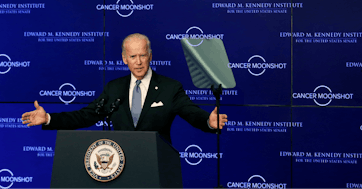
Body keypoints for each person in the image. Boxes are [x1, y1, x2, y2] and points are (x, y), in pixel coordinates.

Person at [21, 33, 228, 143]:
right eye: (132, 56)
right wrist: (49, 119)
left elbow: (190, 113)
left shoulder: (170, 87)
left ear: (150, 56)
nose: (138, 62)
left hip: (157, 166)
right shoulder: (114, 88)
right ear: (124, 59)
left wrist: (208, 122)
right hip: (119, 166)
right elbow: (85, 116)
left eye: (142, 55)